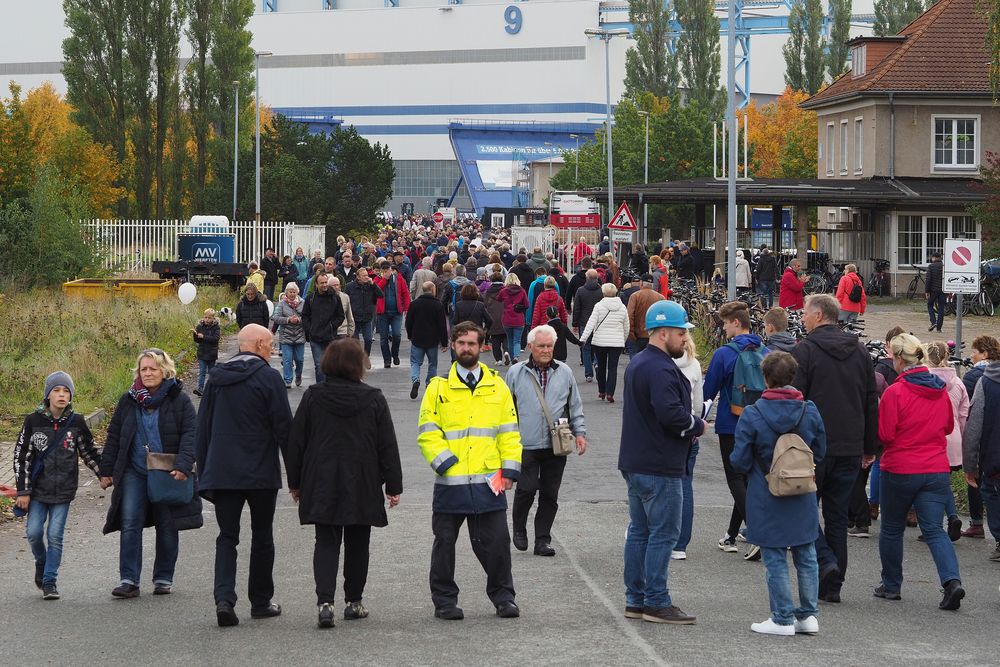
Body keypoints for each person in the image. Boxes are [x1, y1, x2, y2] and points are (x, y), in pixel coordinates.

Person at [286, 338, 403, 628]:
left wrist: (295, 481)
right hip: (362, 478)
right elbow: (386, 444)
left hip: (321, 478)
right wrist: (393, 485)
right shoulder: (373, 398)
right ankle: (354, 601)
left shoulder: (313, 396)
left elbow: (296, 442)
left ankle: (325, 602)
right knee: (357, 541)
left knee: (325, 541)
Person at [417, 322, 523, 620]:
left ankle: (504, 598)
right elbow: (427, 431)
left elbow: (509, 432)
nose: (466, 348)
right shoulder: (438, 387)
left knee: (498, 545)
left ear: (481, 346)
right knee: (444, 546)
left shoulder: (498, 386)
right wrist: (443, 461)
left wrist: (511, 470)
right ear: (453, 344)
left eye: (472, 344)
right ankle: (445, 601)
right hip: (451, 482)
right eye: (461, 343)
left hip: (490, 481)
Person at [194, 324, 293, 627]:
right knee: (262, 536)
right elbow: (284, 429)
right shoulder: (269, 378)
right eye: (271, 344)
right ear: (260, 344)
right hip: (261, 472)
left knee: (227, 537)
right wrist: (298, 476)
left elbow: (203, 427)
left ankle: (224, 599)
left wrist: (203, 469)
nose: (273, 350)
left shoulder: (216, 379)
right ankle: (261, 601)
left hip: (223, 471)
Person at [619, 300, 705, 624]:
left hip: (637, 460)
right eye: (682, 332)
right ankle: (656, 601)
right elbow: (670, 414)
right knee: (664, 534)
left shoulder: (640, 362)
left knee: (640, 531)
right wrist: (696, 425)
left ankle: (635, 599)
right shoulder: (662, 368)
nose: (685, 338)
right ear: (664, 332)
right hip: (659, 463)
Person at [731, 352, 827, 636]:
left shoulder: (753, 414)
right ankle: (808, 616)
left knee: (774, 556)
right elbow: (820, 452)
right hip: (802, 490)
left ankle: (782, 617)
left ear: (765, 379)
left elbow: (739, 460)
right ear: (792, 377)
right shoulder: (809, 410)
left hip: (766, 491)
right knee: (806, 552)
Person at [792, 294, 878, 603]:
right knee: (838, 517)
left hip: (813, 447)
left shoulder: (805, 351)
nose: (801, 319)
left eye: (804, 314)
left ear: (817, 315)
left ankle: (824, 561)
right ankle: (833, 586)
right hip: (850, 445)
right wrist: (870, 446)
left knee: (800, 512)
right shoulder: (860, 351)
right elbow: (870, 400)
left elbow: (796, 398)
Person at [99, 349, 202, 599]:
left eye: (153, 368)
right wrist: (106, 470)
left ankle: (163, 577)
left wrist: (184, 464)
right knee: (130, 522)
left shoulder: (179, 399)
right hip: (134, 471)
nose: (147, 373)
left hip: (167, 470)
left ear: (164, 371)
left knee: (167, 525)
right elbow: (114, 436)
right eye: (143, 369)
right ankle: (129, 580)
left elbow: (191, 433)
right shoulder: (129, 400)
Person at [876, 334, 964, 610]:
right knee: (935, 531)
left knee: (891, 528)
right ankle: (952, 582)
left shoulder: (895, 392)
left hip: (901, 467)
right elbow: (948, 427)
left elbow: (886, 434)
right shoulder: (940, 391)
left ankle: (891, 585)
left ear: (900, 359)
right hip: (935, 468)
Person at [14, 372, 101, 600]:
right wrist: (22, 491)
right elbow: (21, 456)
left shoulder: (77, 422)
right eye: (57, 391)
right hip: (37, 491)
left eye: (66, 391)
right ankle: (41, 564)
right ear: (48, 395)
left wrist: (104, 474)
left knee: (55, 535)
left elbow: (88, 452)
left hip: (64, 490)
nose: (62, 395)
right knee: (33, 534)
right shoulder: (33, 421)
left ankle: (50, 582)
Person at [505, 325, 586, 557]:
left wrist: (580, 433)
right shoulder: (516, 372)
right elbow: (505, 408)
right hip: (525, 443)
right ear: (531, 346)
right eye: (541, 346)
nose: (546, 350)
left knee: (550, 494)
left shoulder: (565, 372)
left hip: (556, 444)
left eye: (549, 346)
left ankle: (543, 539)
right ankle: (519, 528)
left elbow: (575, 406)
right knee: (527, 489)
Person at [702, 301, 766, 557]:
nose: (724, 327)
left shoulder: (724, 354)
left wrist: (700, 419)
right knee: (749, 478)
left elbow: (709, 392)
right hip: (760, 422)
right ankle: (730, 535)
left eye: (726, 323)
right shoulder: (766, 350)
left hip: (731, 423)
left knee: (735, 479)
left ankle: (759, 532)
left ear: (736, 323)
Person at [925, 341, 969, 540]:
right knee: (943, 483)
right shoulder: (958, 381)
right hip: (953, 441)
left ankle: (935, 524)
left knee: (930, 486)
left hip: (931, 439)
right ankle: (952, 517)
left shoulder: (925, 380)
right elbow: (963, 413)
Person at [962, 338, 1000, 560]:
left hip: (994, 456)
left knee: (992, 493)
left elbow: (974, 426)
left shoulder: (985, 383)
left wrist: (970, 465)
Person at [672, 335, 704, 561]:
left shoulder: (661, 364)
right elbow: (698, 406)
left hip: (664, 435)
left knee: (653, 484)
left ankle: (647, 530)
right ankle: (681, 544)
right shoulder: (694, 364)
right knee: (685, 486)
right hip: (689, 434)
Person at [581, 282, 630, 403]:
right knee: (613, 368)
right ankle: (610, 393)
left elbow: (591, 323)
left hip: (600, 341)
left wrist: (583, 338)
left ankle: (601, 391)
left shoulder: (599, 306)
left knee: (601, 366)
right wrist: (623, 340)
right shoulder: (622, 307)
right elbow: (626, 326)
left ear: (603, 293)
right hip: (616, 342)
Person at [405, 282, 450, 400]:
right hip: (432, 339)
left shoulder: (414, 304)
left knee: (415, 362)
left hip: (417, 337)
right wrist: (444, 342)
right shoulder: (437, 305)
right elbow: (442, 325)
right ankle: (430, 383)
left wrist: (410, 334)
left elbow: (408, 321)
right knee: (432, 364)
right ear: (432, 289)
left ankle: (415, 379)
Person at [302, 274, 346, 384]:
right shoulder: (310, 299)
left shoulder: (335, 297)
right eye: (322, 283)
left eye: (326, 282)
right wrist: (309, 329)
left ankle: (330, 387)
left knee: (331, 365)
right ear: (316, 284)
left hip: (330, 337)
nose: (324, 285)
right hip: (315, 337)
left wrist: (332, 326)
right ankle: (321, 389)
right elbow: (305, 316)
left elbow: (340, 316)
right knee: (319, 365)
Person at [373, 262, 411, 369]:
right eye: (384, 271)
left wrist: (407, 308)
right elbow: (376, 290)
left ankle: (395, 354)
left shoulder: (399, 278)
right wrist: (384, 279)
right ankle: (387, 359)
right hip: (383, 313)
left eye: (388, 270)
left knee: (397, 335)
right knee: (383, 338)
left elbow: (405, 293)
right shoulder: (377, 279)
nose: (387, 273)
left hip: (396, 312)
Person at [345, 267, 384, 368]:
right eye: (364, 276)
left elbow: (380, 295)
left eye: (367, 275)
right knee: (355, 341)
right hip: (354, 318)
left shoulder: (371, 286)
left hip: (367, 317)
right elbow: (345, 300)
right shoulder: (350, 286)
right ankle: (357, 360)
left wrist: (373, 284)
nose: (367, 277)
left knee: (368, 339)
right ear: (358, 277)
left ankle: (366, 358)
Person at [272, 282, 306, 388]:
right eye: (290, 292)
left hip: (300, 335)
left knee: (299, 359)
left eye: (294, 292)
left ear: (297, 292)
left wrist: (298, 320)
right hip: (286, 336)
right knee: (287, 360)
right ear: (286, 292)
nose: (292, 294)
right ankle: (288, 380)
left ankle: (298, 375)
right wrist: (288, 320)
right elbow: (275, 317)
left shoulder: (303, 303)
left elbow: (307, 317)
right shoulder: (282, 304)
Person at [573, 268, 604, 382]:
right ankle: (596, 363)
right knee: (597, 346)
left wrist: (575, 323)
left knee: (585, 348)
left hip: (584, 322)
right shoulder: (601, 291)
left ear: (587, 278)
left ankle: (588, 373)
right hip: (598, 323)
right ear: (597, 278)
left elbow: (577, 308)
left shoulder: (580, 291)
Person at [626, 274, 665, 355]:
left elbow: (630, 316)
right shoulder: (660, 297)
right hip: (653, 335)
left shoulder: (635, 296)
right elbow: (662, 318)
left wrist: (631, 334)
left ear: (641, 283)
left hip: (638, 335)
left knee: (635, 362)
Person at [496, 273, 529, 364]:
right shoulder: (522, 291)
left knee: (510, 339)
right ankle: (516, 357)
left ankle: (511, 358)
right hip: (518, 318)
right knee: (517, 340)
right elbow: (527, 304)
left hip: (507, 318)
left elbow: (498, 299)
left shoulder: (504, 291)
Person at [192, 308, 221, 396]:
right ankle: (200, 389)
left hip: (212, 353)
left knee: (211, 372)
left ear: (213, 318)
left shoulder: (216, 327)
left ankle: (213, 389)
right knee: (202, 372)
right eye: (205, 317)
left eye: (209, 318)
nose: (207, 319)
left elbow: (215, 339)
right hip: (202, 353)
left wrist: (204, 337)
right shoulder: (200, 326)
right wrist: (195, 334)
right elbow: (197, 340)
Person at [483, 271, 508, 363]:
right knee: (505, 336)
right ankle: (506, 351)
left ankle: (498, 359)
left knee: (495, 339)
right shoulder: (506, 290)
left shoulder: (488, 292)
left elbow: (484, 304)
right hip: (505, 315)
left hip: (492, 316)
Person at [926, 251, 945, 333]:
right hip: (943, 290)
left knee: (930, 305)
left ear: (934, 258)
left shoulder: (931, 266)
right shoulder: (944, 266)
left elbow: (928, 280)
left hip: (933, 290)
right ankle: (939, 327)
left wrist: (927, 291)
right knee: (941, 308)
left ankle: (933, 322)